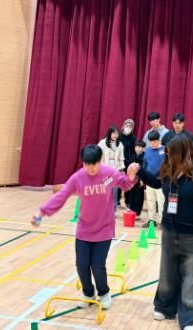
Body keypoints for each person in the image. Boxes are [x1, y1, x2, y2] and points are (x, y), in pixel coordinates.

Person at [32, 145, 140, 309]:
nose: (90, 168)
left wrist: (131, 177)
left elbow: (124, 184)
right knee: (82, 265)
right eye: (86, 164)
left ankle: (104, 293)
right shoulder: (78, 178)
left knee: (97, 265)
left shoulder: (109, 174)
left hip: (104, 228)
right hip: (84, 229)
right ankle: (88, 293)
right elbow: (61, 196)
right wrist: (42, 212)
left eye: (93, 164)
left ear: (99, 161)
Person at [137, 135, 193, 330]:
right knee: (167, 273)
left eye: (171, 154)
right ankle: (165, 306)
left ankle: (189, 318)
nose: (168, 158)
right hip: (170, 231)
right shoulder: (170, 168)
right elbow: (157, 182)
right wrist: (139, 170)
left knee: (192, 278)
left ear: (184, 153)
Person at [97, 126, 125, 211]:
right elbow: (98, 156)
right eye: (113, 133)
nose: (115, 135)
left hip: (115, 172)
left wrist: (122, 170)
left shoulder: (120, 144)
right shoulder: (102, 143)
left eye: (117, 133)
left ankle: (113, 209)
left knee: (114, 191)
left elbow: (121, 158)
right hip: (104, 171)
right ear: (109, 133)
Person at [142, 130, 165, 228]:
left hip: (161, 181)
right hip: (149, 180)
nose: (153, 144)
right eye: (151, 142)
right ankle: (152, 220)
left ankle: (162, 221)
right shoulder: (147, 151)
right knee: (150, 201)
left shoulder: (165, 150)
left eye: (155, 141)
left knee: (161, 201)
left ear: (159, 140)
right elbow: (144, 165)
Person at [119, 118, 138, 210]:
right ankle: (117, 200)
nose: (128, 127)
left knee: (127, 182)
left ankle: (127, 202)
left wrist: (132, 162)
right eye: (126, 125)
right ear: (123, 126)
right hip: (119, 162)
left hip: (129, 163)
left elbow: (135, 151)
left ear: (132, 128)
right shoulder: (118, 136)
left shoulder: (134, 138)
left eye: (130, 126)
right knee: (118, 181)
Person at [125, 140, 146, 217]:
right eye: (136, 147)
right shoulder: (133, 156)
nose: (137, 148)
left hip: (140, 178)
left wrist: (142, 179)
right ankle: (131, 210)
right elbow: (129, 167)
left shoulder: (145, 157)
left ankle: (137, 212)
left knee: (139, 196)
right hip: (132, 178)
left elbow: (144, 169)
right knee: (132, 194)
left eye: (140, 147)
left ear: (143, 148)